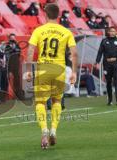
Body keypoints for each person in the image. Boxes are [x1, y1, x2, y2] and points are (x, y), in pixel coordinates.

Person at [26, 3, 77, 149]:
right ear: (58, 15)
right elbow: (74, 53)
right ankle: (53, 130)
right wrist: (73, 72)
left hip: (43, 69)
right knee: (56, 101)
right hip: (59, 70)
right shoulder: (66, 31)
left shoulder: (39, 30)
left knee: (40, 103)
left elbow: (30, 51)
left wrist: (29, 69)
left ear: (45, 14)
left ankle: (44, 130)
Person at [95, 26, 117, 106]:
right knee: (108, 82)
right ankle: (110, 100)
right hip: (107, 65)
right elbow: (100, 52)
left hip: (116, 64)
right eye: (111, 31)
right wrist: (97, 62)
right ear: (108, 32)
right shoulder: (104, 41)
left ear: (116, 32)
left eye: (114, 31)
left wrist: (115, 58)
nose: (112, 32)